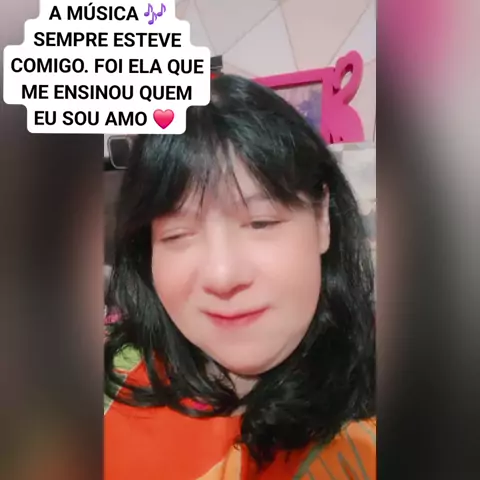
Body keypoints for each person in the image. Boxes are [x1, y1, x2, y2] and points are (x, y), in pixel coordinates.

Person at [104, 75, 376, 479]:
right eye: (177, 234)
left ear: (322, 218)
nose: (222, 276)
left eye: (261, 222)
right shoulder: (113, 386)